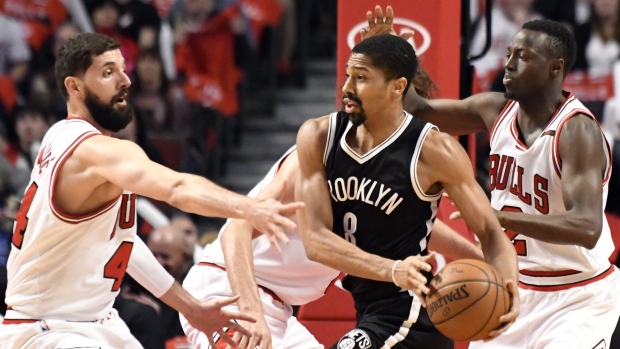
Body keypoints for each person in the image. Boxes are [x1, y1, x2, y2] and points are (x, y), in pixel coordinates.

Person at [0, 32, 303, 349]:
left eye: (122, 68)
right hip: (48, 330)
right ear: (74, 87)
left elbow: (124, 245)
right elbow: (176, 186)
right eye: (107, 72)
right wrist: (250, 208)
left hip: (95, 323)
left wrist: (190, 307)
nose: (125, 80)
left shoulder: (60, 137)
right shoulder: (95, 151)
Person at [366, 6, 620, 348]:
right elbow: (417, 110)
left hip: (575, 297)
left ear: (555, 68)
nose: (510, 63)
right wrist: (389, 57)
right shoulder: (495, 109)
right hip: (511, 286)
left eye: (524, 57)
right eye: (509, 53)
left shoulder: (577, 133)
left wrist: (496, 216)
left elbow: (587, 227)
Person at [180, 67, 485, 349]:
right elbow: (237, 230)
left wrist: (483, 258)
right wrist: (251, 312)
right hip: (228, 292)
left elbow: (423, 227)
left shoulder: (385, 176)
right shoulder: (314, 158)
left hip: (279, 309)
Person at [295, 33, 519, 349]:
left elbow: (491, 234)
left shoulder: (434, 150)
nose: (346, 87)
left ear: (397, 87)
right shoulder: (319, 136)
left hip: (412, 312)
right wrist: (393, 269)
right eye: (348, 75)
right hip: (370, 307)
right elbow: (315, 240)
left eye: (361, 78)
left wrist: (509, 289)